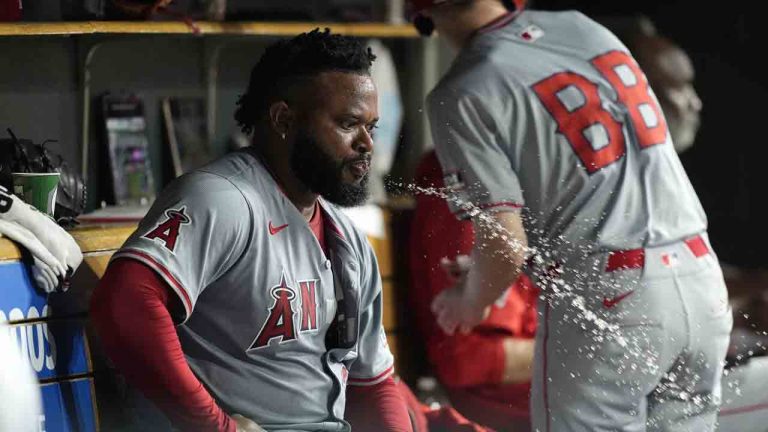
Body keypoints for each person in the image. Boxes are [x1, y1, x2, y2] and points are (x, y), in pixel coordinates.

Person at [407, 1, 732, 431]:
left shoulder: (461, 88)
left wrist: (470, 301)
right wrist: (493, 270)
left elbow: (506, 243)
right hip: (699, 278)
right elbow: (596, 198)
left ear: (419, 12)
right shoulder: (583, 28)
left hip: (615, 294)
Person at [90, 29, 412, 432]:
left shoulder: (346, 235)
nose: (366, 143)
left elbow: (373, 385)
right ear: (283, 119)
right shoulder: (221, 198)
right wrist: (215, 426)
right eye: (348, 124)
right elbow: (125, 304)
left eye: (371, 127)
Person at [409, 150, 536, 432]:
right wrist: (580, 350)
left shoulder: (514, 180)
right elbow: (463, 359)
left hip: (553, 389)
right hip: (510, 408)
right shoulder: (465, 191)